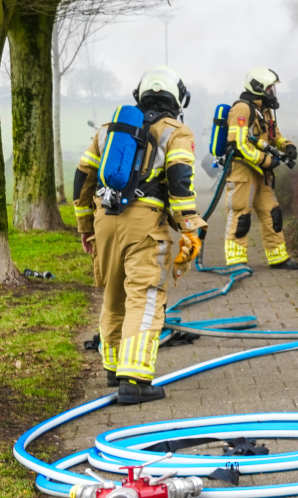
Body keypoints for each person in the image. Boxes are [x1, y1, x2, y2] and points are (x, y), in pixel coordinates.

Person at [74, 66, 206, 404]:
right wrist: (190, 231)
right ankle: (134, 378)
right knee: (145, 295)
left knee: (114, 292)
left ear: (140, 95)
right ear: (178, 98)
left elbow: (83, 178)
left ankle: (114, 366)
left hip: (105, 220)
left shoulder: (109, 129)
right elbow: (180, 184)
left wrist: (85, 227)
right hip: (144, 224)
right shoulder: (176, 132)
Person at [221, 66, 298, 269]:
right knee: (240, 214)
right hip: (242, 171)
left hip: (260, 172)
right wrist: (266, 161)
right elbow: (239, 145)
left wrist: (287, 146)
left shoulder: (264, 111)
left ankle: (278, 257)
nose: (272, 92)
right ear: (259, 88)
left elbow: (274, 136)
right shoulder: (242, 109)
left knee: (272, 213)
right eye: (270, 88)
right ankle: (236, 261)